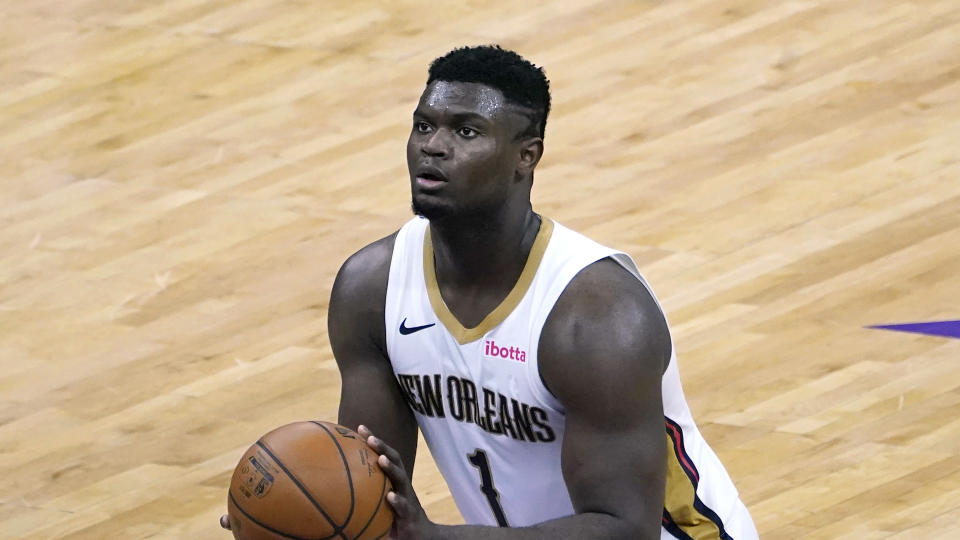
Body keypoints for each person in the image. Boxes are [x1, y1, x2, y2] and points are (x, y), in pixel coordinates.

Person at [223, 45, 758, 539]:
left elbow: (622, 529)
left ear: (527, 156)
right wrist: (290, 521)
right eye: (423, 125)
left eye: (467, 131)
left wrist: (436, 539)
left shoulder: (595, 315)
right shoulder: (371, 289)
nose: (433, 145)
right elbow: (370, 486)